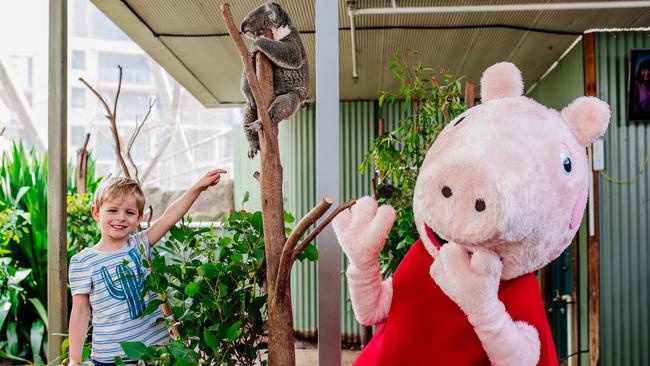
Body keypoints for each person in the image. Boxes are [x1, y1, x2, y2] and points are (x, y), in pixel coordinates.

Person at [67, 169, 226, 366]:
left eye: (129, 212)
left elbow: (169, 217)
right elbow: (80, 312)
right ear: (96, 213)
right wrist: (74, 360)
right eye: (112, 210)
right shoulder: (82, 261)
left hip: (154, 354)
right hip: (108, 358)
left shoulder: (141, 243)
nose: (121, 217)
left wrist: (198, 187)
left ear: (139, 217)